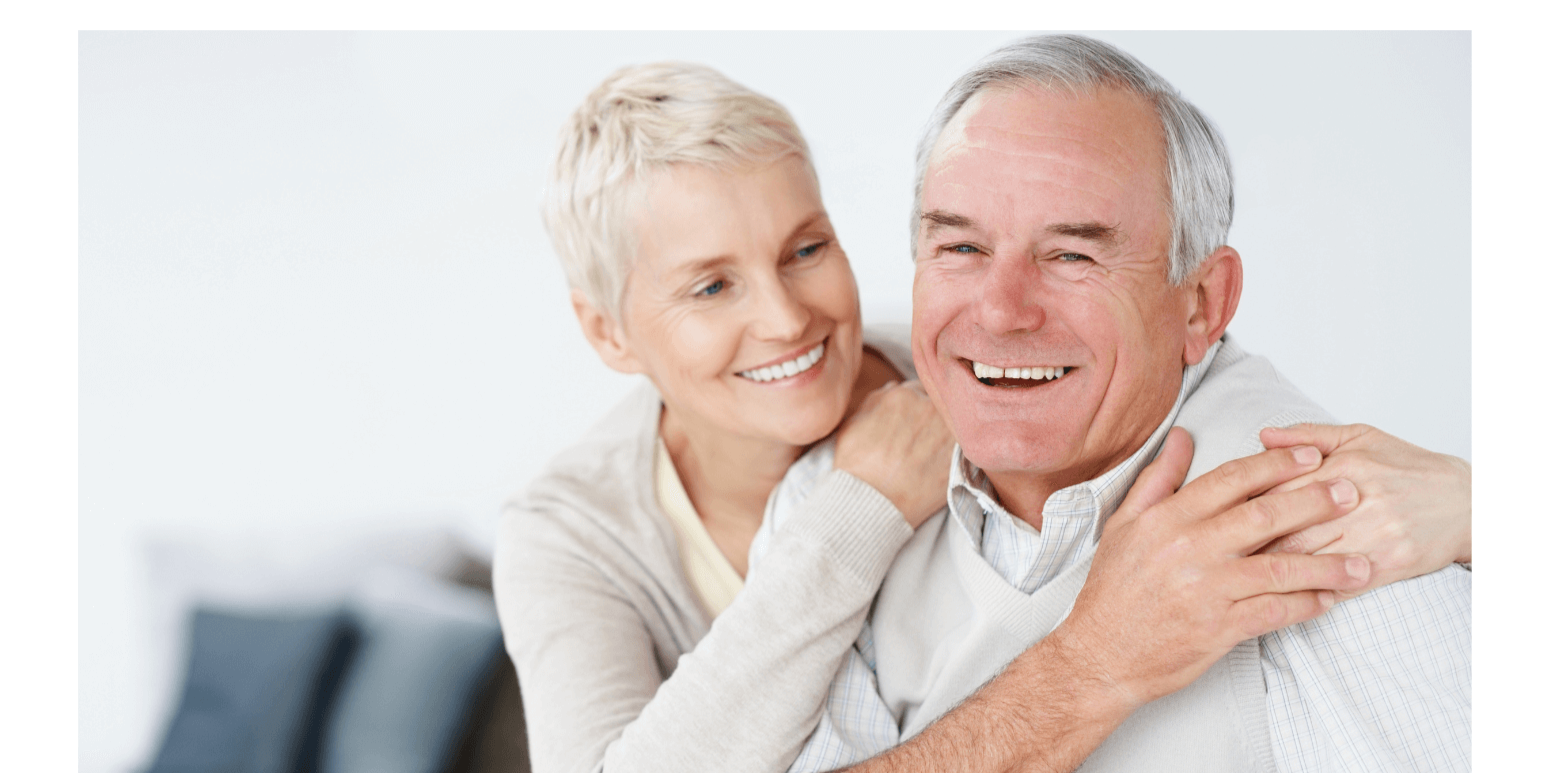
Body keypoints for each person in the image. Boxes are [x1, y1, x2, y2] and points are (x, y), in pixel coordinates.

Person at [492, 59, 1472, 773]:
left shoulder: (1311, 511)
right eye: (709, 286)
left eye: (805, 250)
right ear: (608, 333)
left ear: (1201, 303)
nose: (787, 319)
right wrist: (1090, 661)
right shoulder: (773, 506)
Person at [778, 34, 1471, 773]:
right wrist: (1093, 665)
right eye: (961, 249)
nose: (1002, 310)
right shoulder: (842, 493)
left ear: (1203, 303)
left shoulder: (1335, 527)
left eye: (1072, 255)